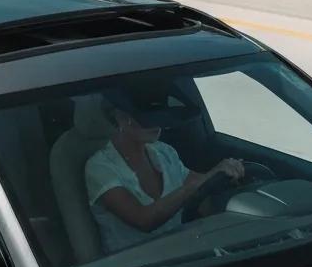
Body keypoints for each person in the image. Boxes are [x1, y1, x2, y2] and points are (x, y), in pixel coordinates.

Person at [86, 94, 245, 255]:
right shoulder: (100, 167)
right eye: (148, 118)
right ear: (121, 117)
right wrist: (203, 180)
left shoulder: (163, 152)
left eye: (161, 116)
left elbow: (202, 191)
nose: (158, 124)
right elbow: (144, 220)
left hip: (182, 252)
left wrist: (229, 176)